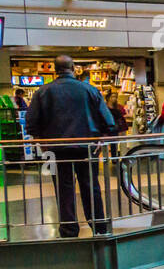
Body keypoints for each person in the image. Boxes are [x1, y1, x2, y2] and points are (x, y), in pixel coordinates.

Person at [23, 54, 115, 237]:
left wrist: (42, 142)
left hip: (56, 149)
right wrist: (100, 139)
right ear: (73, 68)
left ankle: (69, 229)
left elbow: (31, 123)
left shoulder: (43, 92)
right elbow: (109, 121)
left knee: (64, 189)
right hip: (87, 147)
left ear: (55, 69)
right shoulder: (89, 90)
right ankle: (99, 227)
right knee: (91, 186)